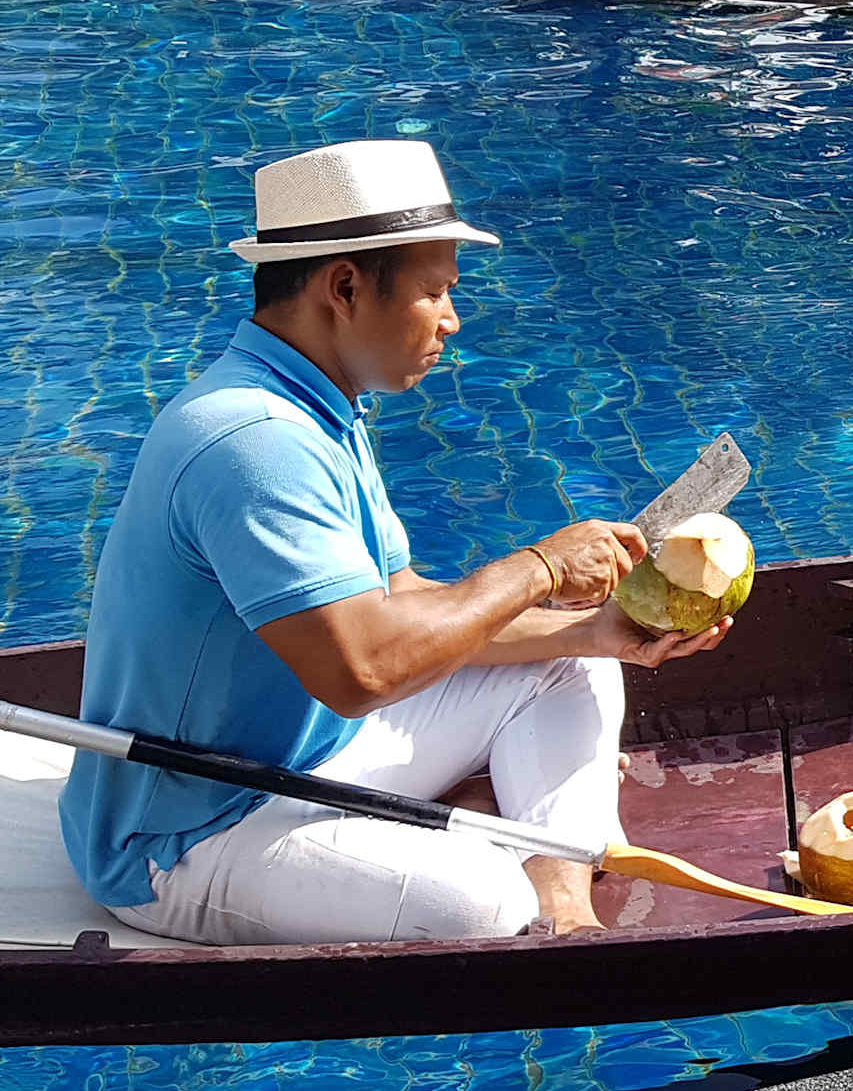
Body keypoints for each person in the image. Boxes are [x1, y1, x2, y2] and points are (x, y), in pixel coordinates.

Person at [59, 140, 730, 946]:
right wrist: (541, 568)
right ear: (344, 287)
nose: (452, 319)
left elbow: (404, 603)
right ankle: (493, 833)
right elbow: (364, 670)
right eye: (435, 291)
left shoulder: (314, 406)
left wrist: (595, 630)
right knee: (483, 905)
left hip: (310, 753)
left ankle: (563, 902)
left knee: (574, 662)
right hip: (192, 829)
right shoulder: (255, 441)